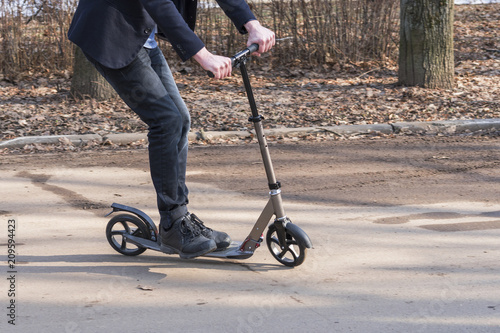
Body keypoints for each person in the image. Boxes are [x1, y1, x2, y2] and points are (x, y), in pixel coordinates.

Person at [67, 0, 275, 259]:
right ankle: (173, 225)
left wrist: (251, 24)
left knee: (180, 119)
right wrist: (204, 55)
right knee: (166, 120)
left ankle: (181, 219)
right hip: (110, 34)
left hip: (141, 34)